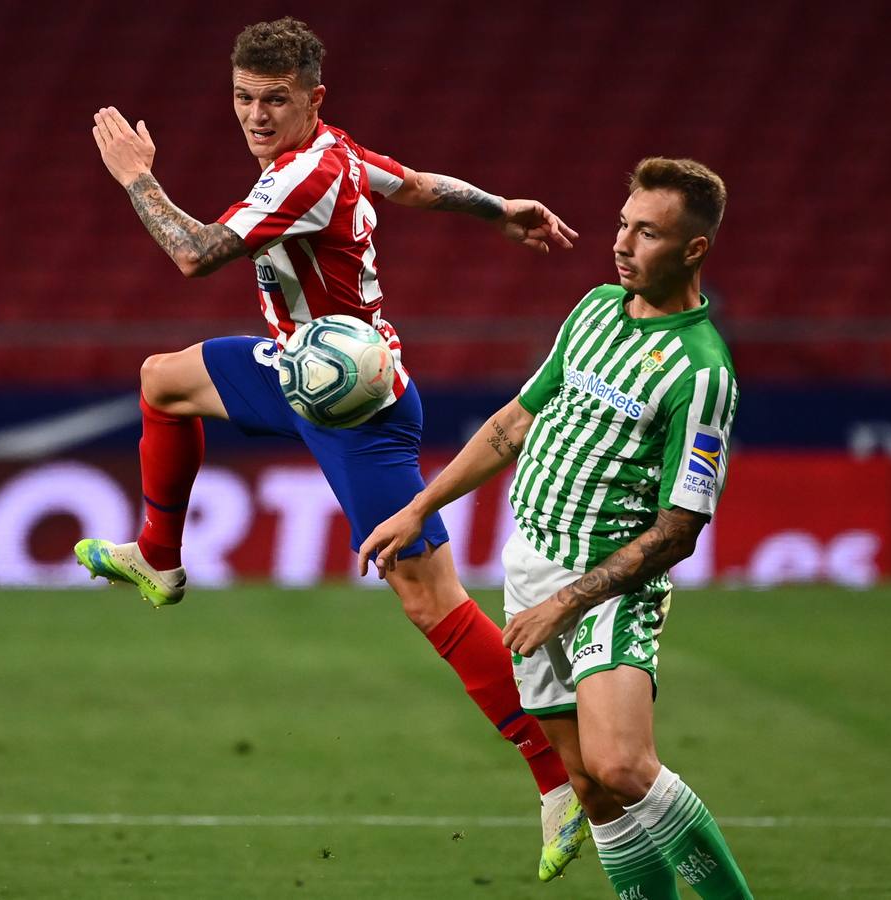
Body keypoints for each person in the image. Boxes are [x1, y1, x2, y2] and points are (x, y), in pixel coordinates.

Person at [77, 17, 590, 881]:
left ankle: (557, 778)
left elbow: (195, 254)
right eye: (243, 97)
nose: (256, 114)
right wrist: (501, 207)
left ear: (314, 99)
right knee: (163, 379)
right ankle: (158, 559)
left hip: (357, 408)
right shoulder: (340, 152)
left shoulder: (304, 173)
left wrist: (139, 180)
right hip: (296, 369)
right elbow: (418, 185)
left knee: (431, 601)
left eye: (275, 99)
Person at [359, 158, 754, 898]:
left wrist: (568, 602)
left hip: (607, 585)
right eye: (623, 224)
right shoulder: (597, 309)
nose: (624, 244)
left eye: (648, 233)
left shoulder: (703, 373)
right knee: (590, 789)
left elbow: (680, 528)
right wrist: (419, 506)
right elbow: (514, 423)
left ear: (694, 250)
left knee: (623, 767)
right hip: (530, 566)